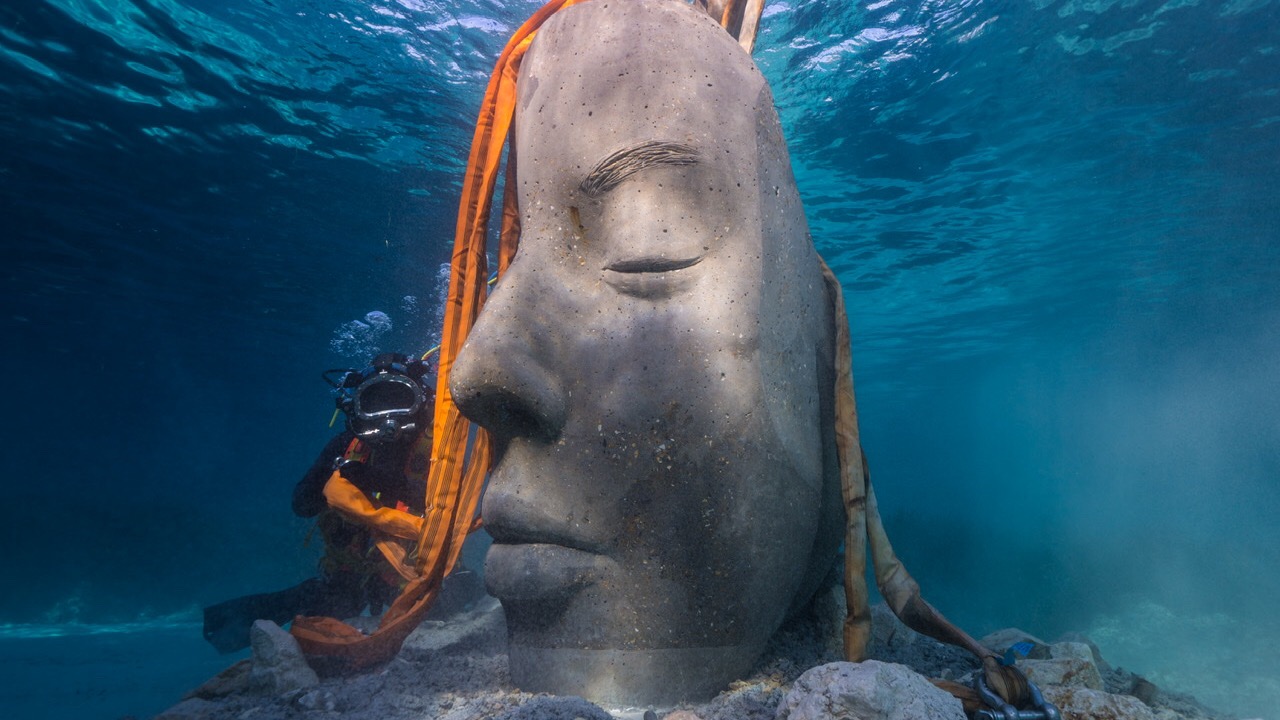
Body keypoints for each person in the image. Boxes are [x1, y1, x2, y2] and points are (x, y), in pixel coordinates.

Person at [202, 352, 434, 654]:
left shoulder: (437, 447)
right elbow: (302, 505)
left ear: (420, 402)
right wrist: (333, 478)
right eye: (375, 403)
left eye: (399, 400)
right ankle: (230, 627)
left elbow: (446, 506)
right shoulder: (346, 446)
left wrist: (376, 480)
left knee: (453, 602)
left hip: (416, 574)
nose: (387, 417)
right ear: (357, 408)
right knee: (316, 609)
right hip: (349, 576)